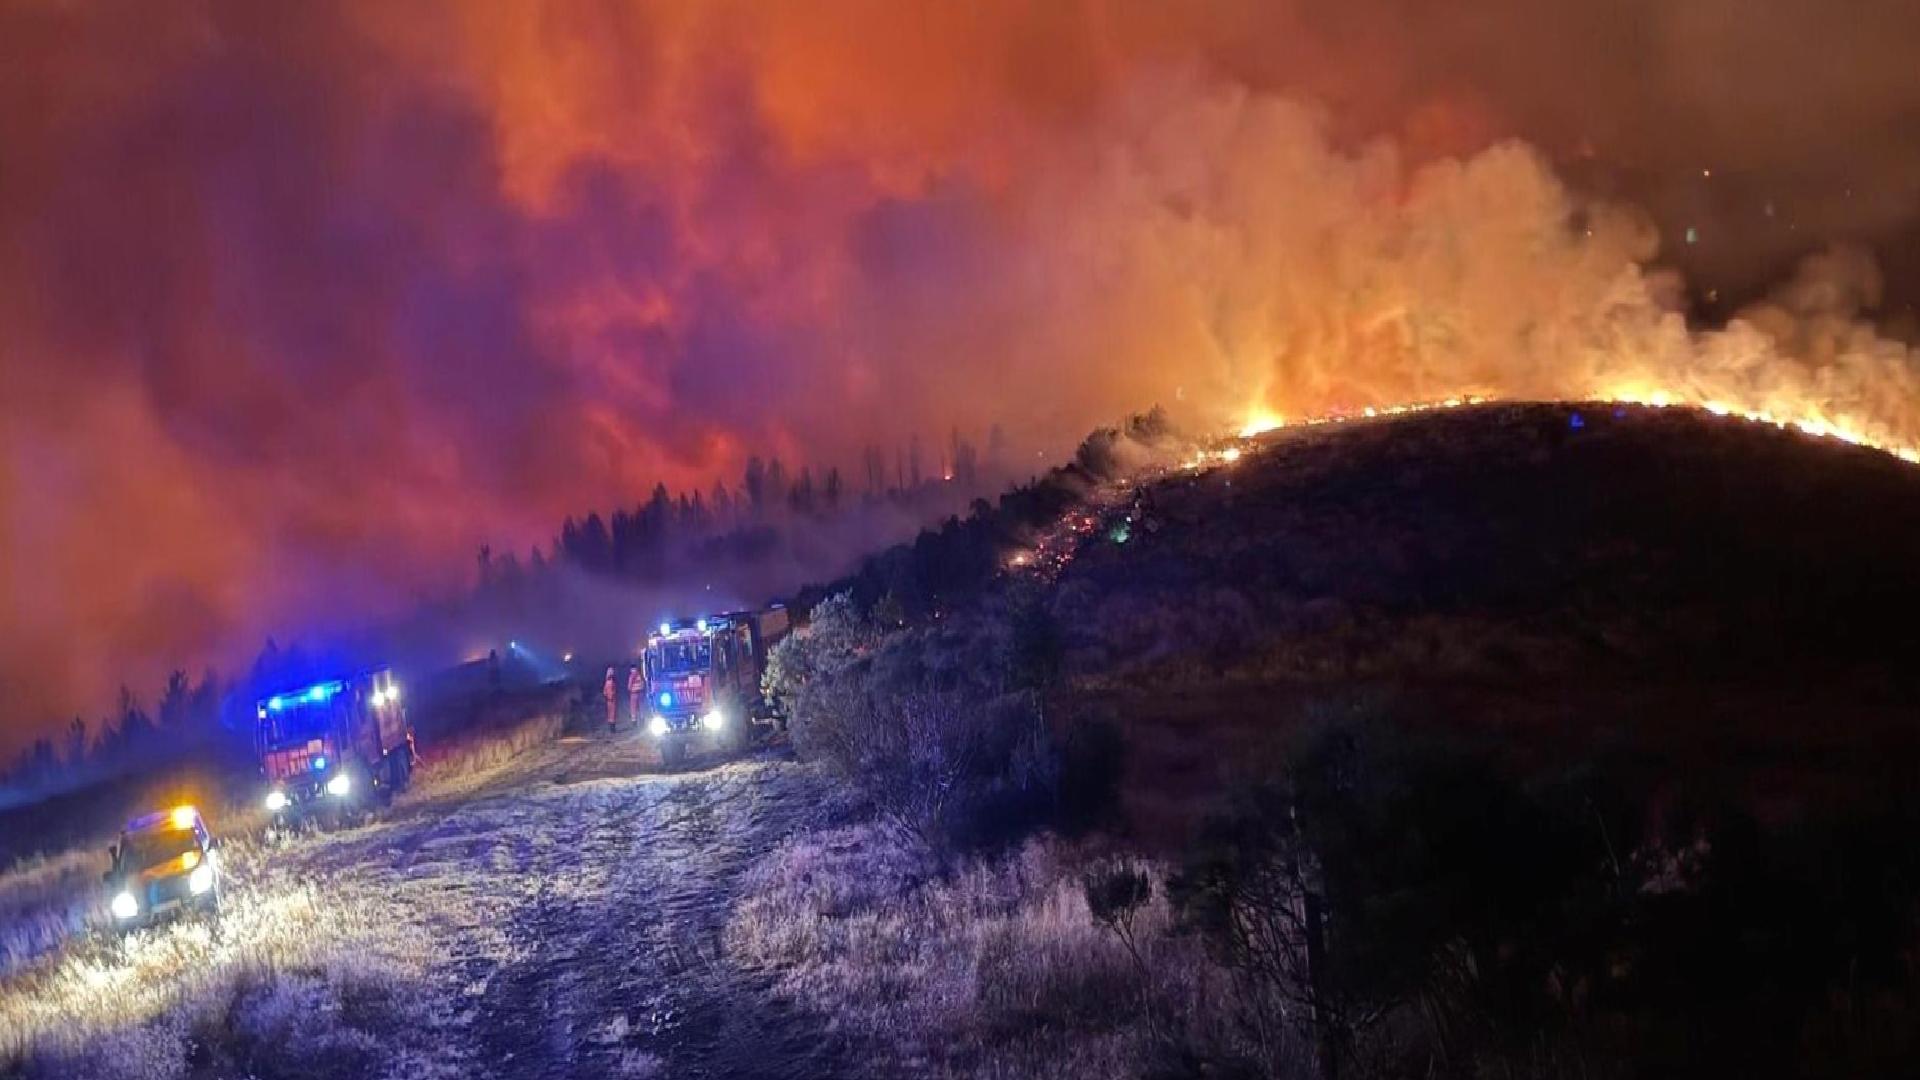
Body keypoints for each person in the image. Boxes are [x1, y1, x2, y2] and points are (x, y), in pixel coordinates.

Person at [603, 667, 618, 733]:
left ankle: (611, 728)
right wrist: (611, 696)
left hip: (609, 700)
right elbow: (613, 690)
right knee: (612, 713)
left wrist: (607, 696)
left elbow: (604, 692)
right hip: (612, 699)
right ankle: (612, 729)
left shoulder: (606, 682)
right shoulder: (612, 682)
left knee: (610, 713)